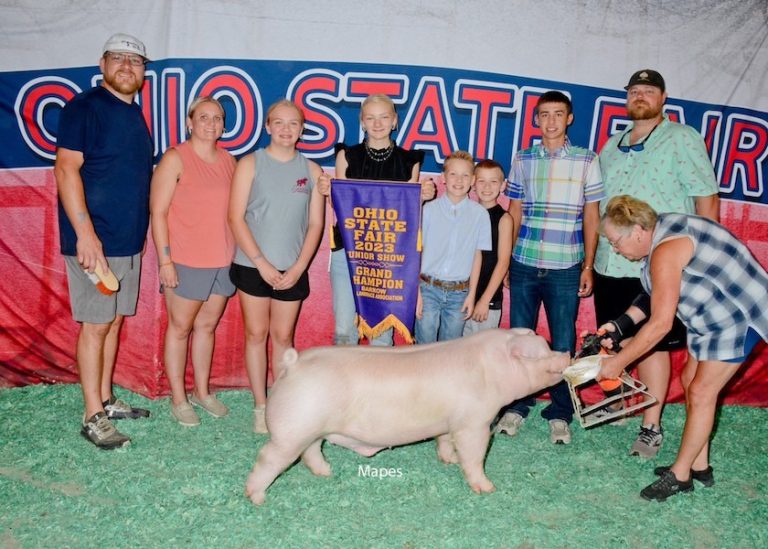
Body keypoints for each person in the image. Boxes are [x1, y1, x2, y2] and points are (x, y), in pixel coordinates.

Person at [597, 195, 768, 501]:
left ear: (637, 230)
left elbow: (661, 324)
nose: (615, 249)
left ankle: (681, 475)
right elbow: (654, 294)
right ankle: (700, 465)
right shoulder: (660, 233)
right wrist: (620, 325)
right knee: (690, 382)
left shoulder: (665, 249)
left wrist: (618, 362)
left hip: (740, 315)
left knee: (702, 392)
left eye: (615, 241)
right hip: (713, 317)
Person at [593, 69, 720, 458]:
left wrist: (703, 255)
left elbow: (707, 198)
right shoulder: (611, 146)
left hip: (660, 260)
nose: (640, 96)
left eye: (648, 91)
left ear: (663, 97)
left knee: (653, 345)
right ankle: (619, 402)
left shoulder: (682, 138)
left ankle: (652, 424)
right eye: (634, 91)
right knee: (617, 335)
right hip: (610, 262)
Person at [55, 33, 152, 450]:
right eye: (118, 58)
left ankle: (107, 400)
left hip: (126, 242)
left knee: (112, 321)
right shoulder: (84, 108)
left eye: (135, 60)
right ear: (102, 64)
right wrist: (86, 235)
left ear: (144, 72)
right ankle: (91, 414)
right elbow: (65, 169)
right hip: (95, 243)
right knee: (95, 326)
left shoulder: (134, 114)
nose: (127, 66)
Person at [496, 91, 604, 445]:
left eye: (559, 114)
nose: (552, 121)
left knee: (562, 342)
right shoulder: (524, 158)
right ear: (536, 119)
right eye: (545, 115)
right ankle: (517, 405)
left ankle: (560, 412)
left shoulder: (587, 160)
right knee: (520, 340)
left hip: (565, 265)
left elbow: (592, 214)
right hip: (525, 261)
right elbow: (514, 211)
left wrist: (588, 264)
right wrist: (508, 259)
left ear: (569, 118)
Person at [228, 99, 327, 434]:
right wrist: (261, 262)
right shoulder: (250, 164)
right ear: (268, 126)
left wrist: (299, 268)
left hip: (292, 270)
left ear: (302, 129)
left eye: (294, 124)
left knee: (284, 337)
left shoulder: (312, 171)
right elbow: (235, 217)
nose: (287, 129)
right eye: (279, 123)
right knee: (256, 335)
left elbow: (315, 225)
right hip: (252, 266)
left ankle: (282, 405)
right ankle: (261, 405)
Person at [150, 96, 236, 427]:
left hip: (222, 261)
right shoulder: (175, 158)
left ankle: (202, 391)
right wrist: (165, 261)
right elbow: (157, 212)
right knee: (180, 328)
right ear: (190, 121)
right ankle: (178, 398)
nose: (211, 123)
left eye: (217, 118)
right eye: (203, 117)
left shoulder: (230, 160)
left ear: (223, 125)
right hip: (185, 260)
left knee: (207, 327)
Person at [331, 93, 434, 346]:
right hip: (347, 250)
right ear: (362, 122)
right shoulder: (347, 155)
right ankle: (344, 386)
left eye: (384, 117)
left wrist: (421, 198)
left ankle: (378, 386)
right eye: (371, 118)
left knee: (382, 333)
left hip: (390, 254)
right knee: (345, 330)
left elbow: (410, 214)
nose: (378, 123)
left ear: (395, 120)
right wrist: (327, 190)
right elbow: (338, 204)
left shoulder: (410, 161)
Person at [415, 150, 491, 343]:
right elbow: (417, 252)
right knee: (424, 348)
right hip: (428, 289)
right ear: (443, 178)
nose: (459, 180)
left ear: (473, 180)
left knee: (450, 350)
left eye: (465, 175)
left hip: (460, 293)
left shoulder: (480, 214)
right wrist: (416, 293)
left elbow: (477, 256)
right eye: (453, 174)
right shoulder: (428, 210)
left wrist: (471, 295)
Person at [463, 159, 513, 335]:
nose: (487, 186)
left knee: (481, 356)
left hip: (487, 301)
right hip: (460, 298)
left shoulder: (504, 218)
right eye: (481, 180)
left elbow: (503, 262)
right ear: (473, 183)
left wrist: (485, 300)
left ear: (502, 185)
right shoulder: (466, 213)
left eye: (493, 181)